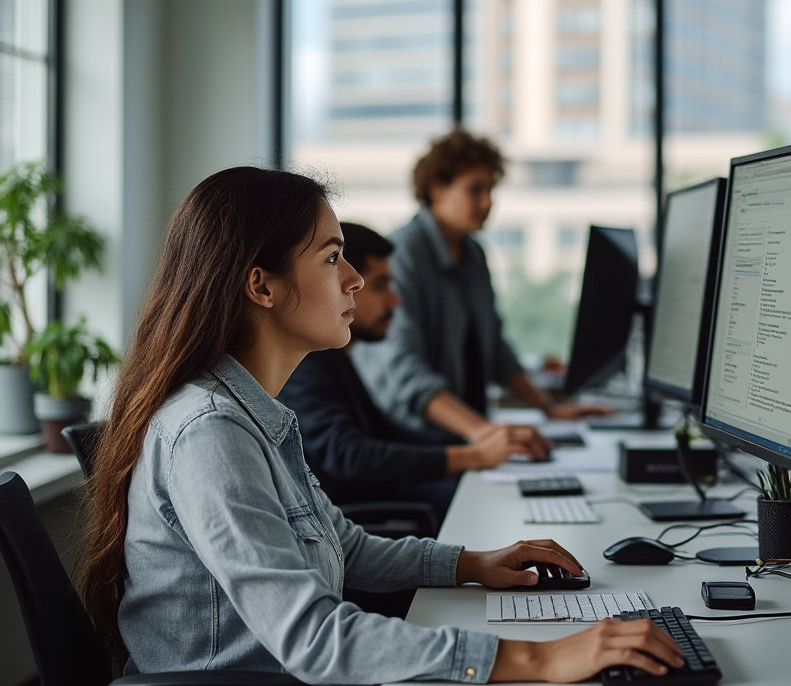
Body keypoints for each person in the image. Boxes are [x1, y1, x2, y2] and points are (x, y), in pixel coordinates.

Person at [75, 166, 683, 684]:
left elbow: (346, 546)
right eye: (332, 258)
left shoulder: (255, 416)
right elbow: (313, 638)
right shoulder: (210, 433)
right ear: (261, 285)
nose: (356, 281)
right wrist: (538, 658)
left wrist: (471, 563)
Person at [278, 222, 549, 527]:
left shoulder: (335, 358)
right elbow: (348, 454)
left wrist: (481, 443)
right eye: (381, 286)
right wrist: (470, 455)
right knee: (490, 502)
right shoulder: (306, 364)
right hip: (351, 521)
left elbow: (387, 434)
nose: (396, 301)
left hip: (375, 501)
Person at [353, 128, 611, 442]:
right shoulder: (404, 253)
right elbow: (403, 370)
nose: (488, 202)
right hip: (415, 440)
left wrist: (549, 408)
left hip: (467, 432)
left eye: (491, 190)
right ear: (437, 190)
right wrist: (484, 434)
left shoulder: (473, 253)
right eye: (475, 190)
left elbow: (495, 350)